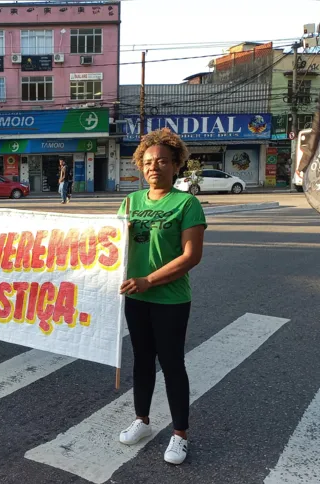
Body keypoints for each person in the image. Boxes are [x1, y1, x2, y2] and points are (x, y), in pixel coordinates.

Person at [116, 128, 206, 465]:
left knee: (171, 364)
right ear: (141, 166)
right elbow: (111, 248)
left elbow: (190, 257)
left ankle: (180, 434)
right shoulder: (130, 202)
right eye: (149, 162)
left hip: (169, 299)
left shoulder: (186, 203)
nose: (155, 167)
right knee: (141, 360)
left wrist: (148, 280)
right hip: (135, 297)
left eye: (163, 162)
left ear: (176, 165)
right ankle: (142, 420)